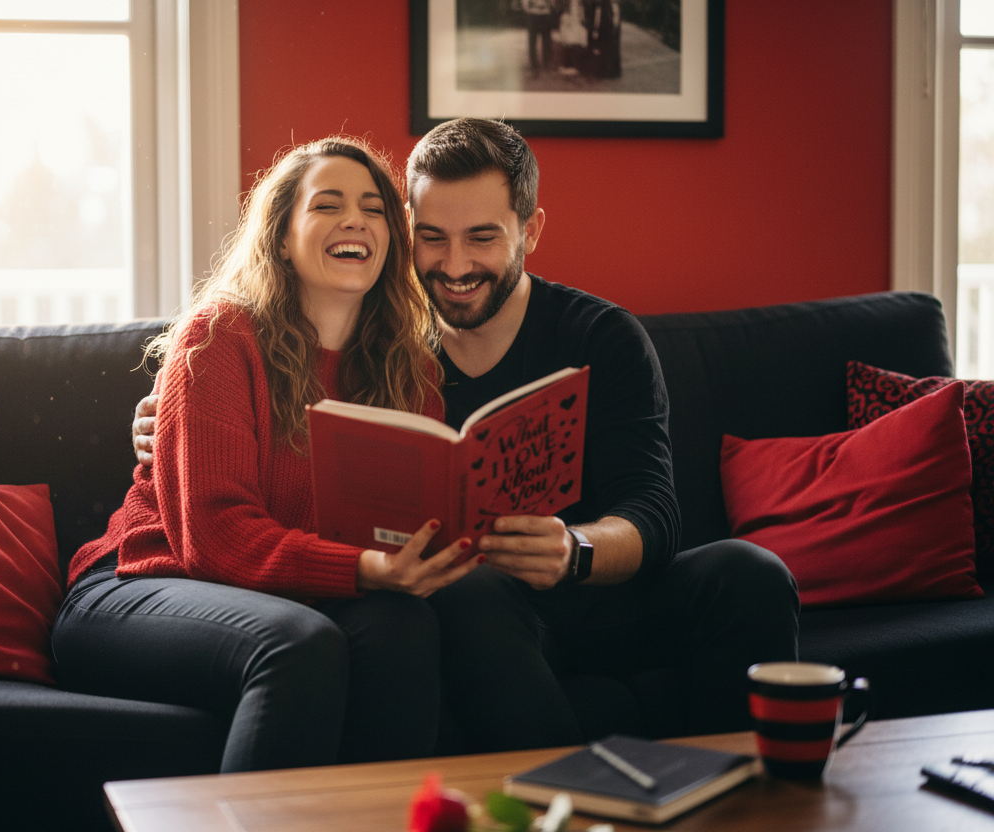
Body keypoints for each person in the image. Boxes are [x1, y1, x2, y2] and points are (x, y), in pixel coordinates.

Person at [134, 119, 800, 751]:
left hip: (595, 590)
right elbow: (251, 426)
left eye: (482, 237)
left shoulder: (601, 336)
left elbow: (653, 511)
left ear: (529, 230)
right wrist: (164, 426)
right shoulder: (390, 346)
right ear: (407, 232)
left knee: (750, 572)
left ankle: (742, 798)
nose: (455, 265)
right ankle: (564, 797)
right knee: (460, 592)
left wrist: (575, 549)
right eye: (433, 237)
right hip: (482, 604)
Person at [54, 137, 483, 774]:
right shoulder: (218, 338)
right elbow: (215, 538)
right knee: (299, 644)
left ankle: (375, 819)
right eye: (328, 204)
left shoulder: (409, 371)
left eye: (373, 209)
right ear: (281, 237)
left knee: (405, 626)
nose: (355, 220)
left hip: (287, 596)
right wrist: (366, 568)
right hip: (137, 585)